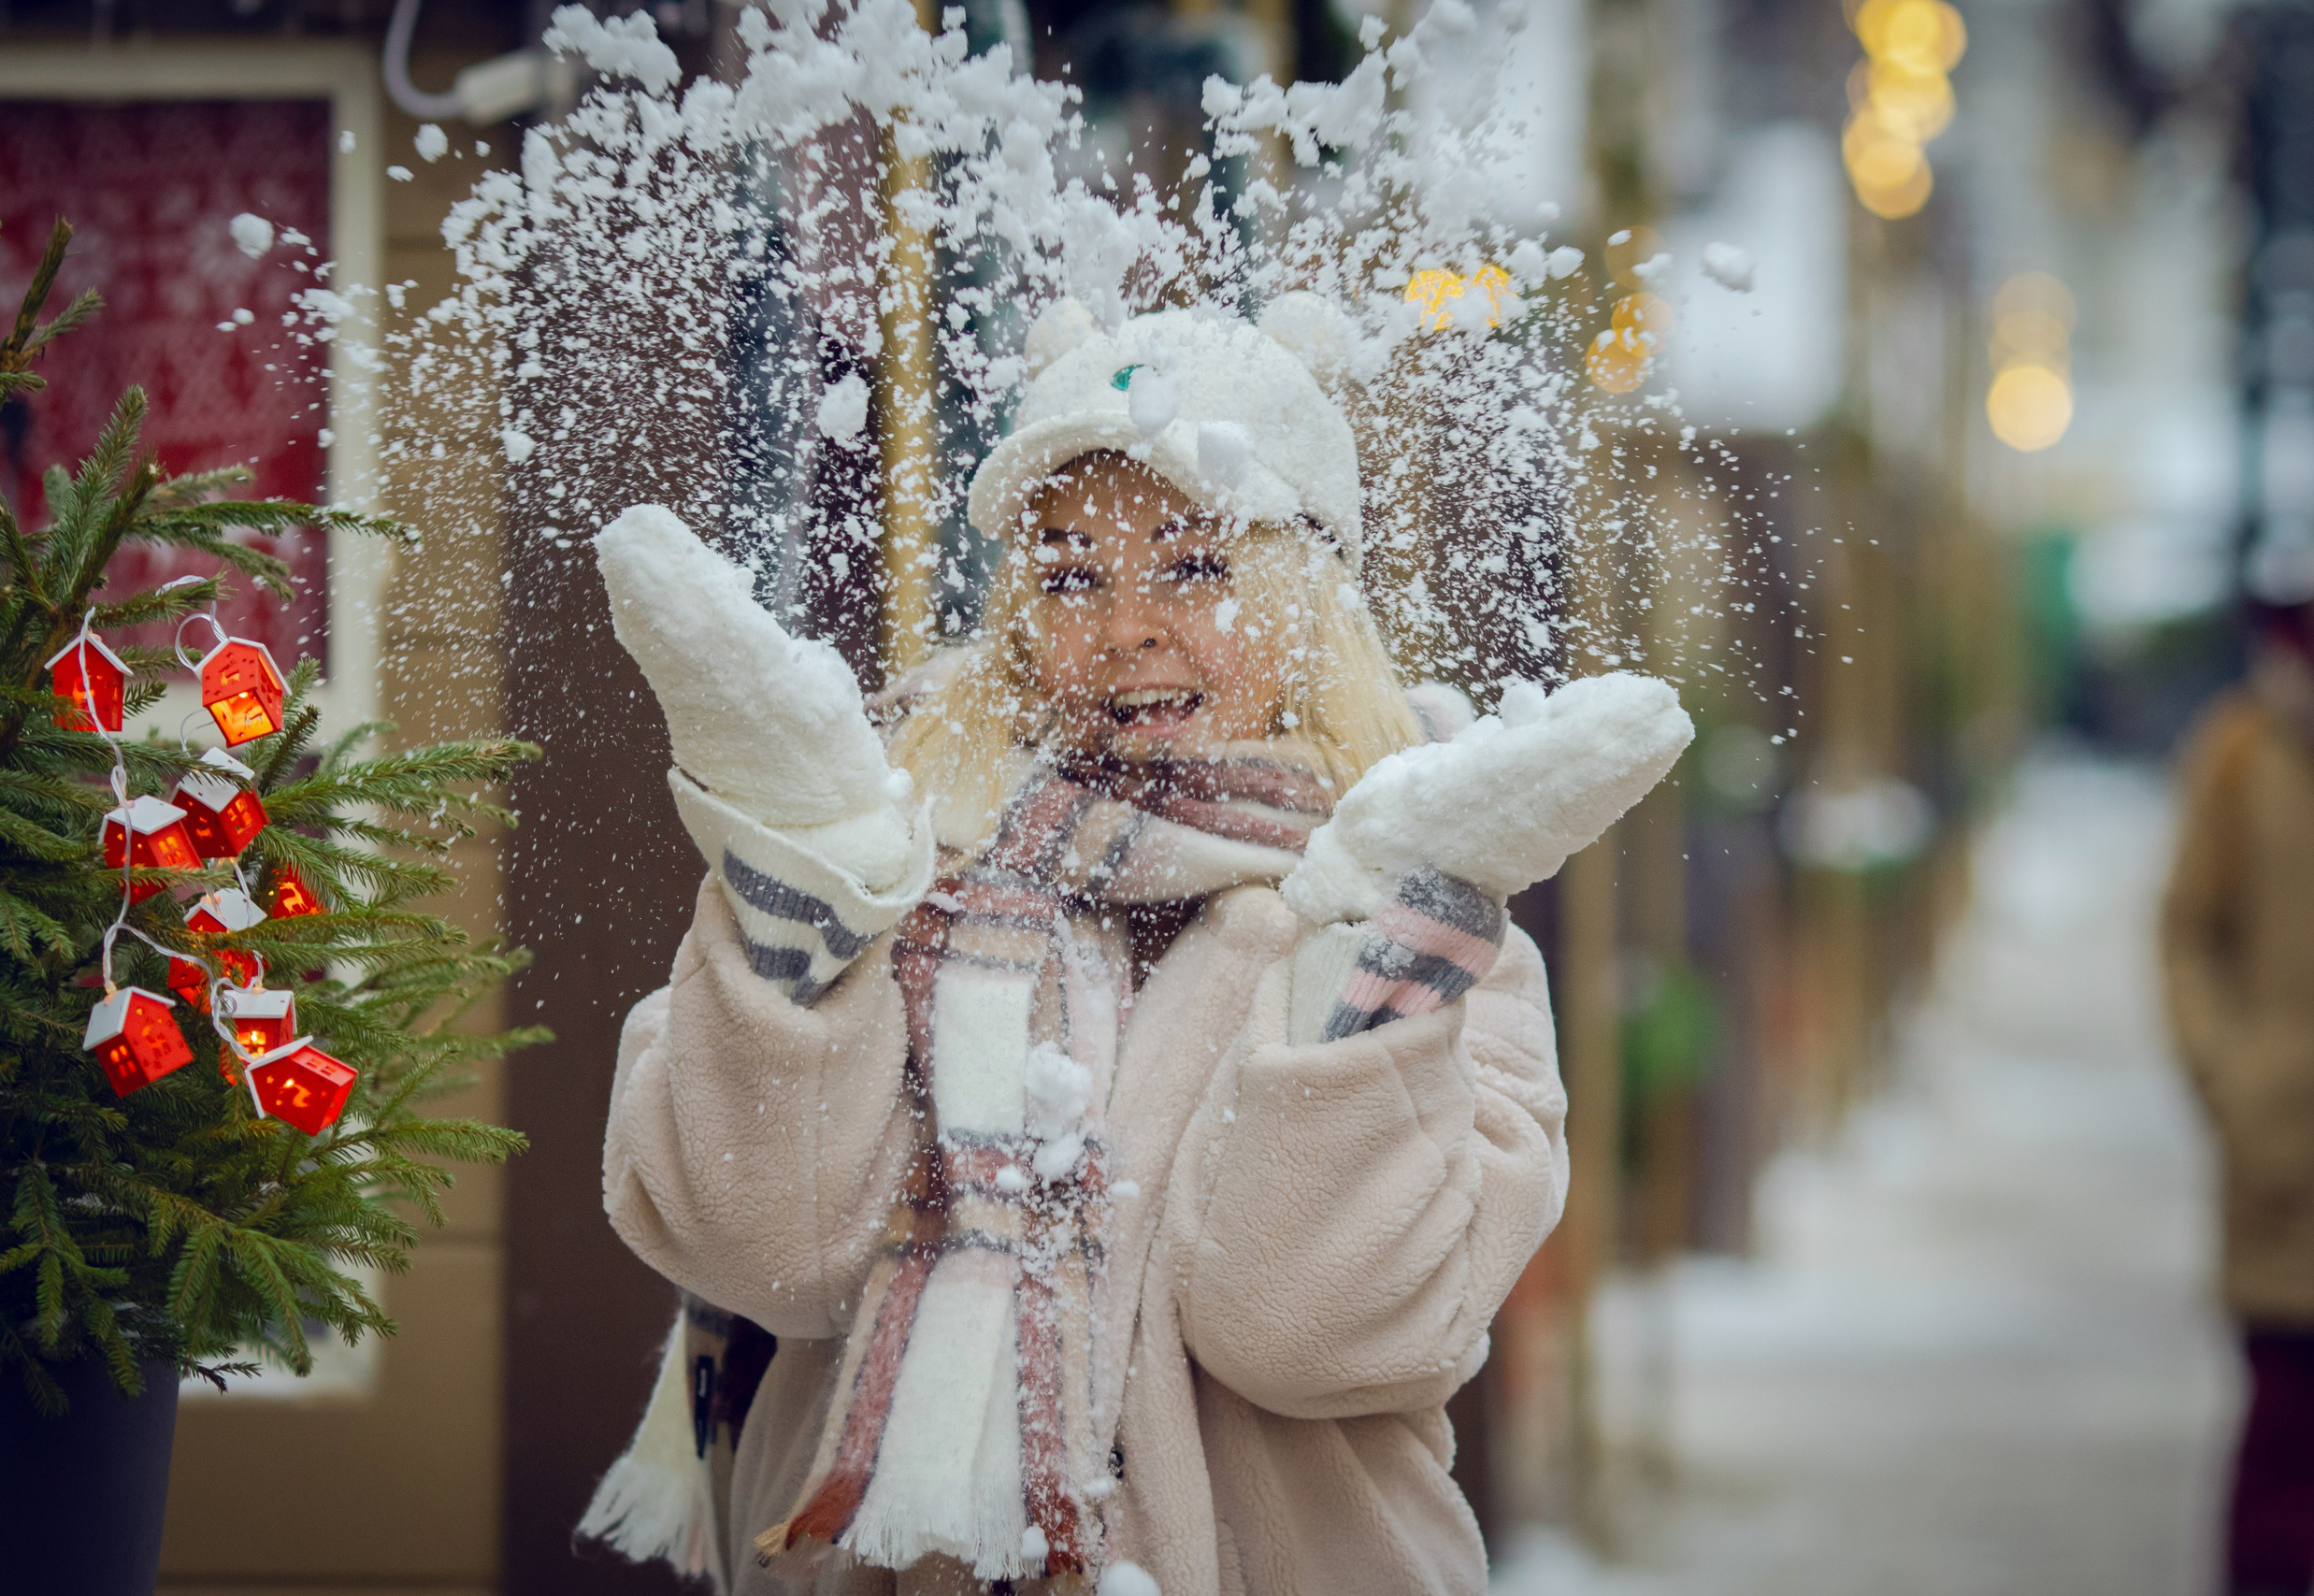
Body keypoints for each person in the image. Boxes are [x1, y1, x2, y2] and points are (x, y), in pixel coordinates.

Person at [582, 296, 1693, 1595]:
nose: (1124, 628)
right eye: (1069, 576)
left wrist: (1369, 947)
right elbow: (768, 1255)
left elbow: (1312, 1334)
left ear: (1304, 593)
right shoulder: (893, 858)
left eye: (1194, 566)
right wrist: (802, 885)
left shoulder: (1444, 923)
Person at [2163, 565, 2314, 1596]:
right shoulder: (2244, 754)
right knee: (2283, 1446)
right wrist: (2230, 1074)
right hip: (2287, 1159)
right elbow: (2185, 930)